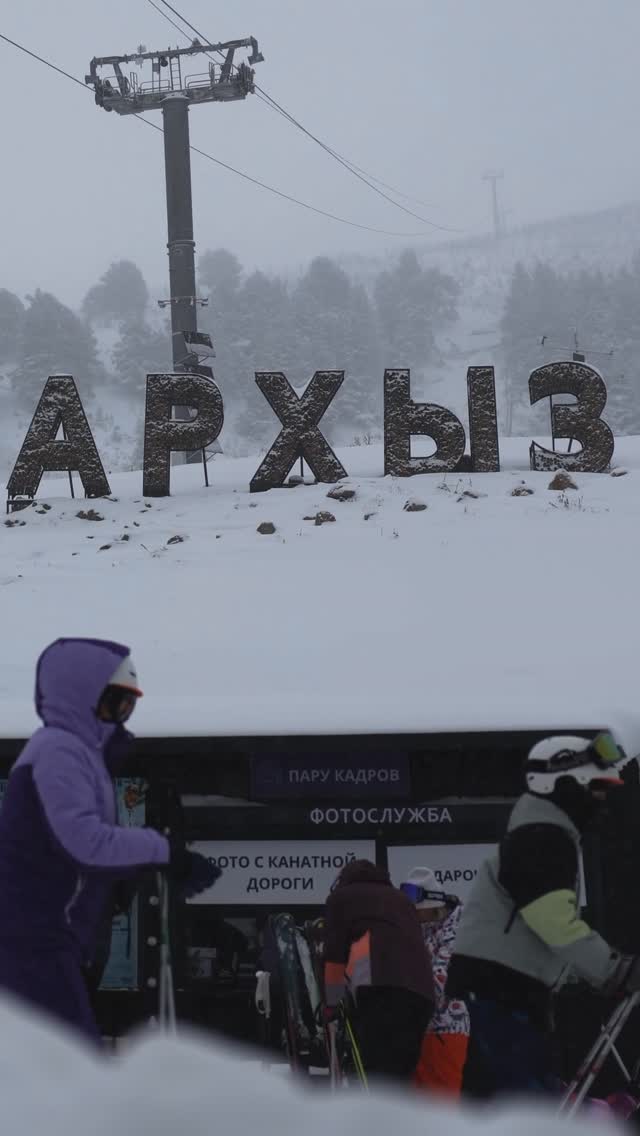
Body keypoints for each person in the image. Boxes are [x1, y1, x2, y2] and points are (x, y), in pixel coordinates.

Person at [0, 638, 219, 1046]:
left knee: (46, 1057)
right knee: (68, 1060)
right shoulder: (59, 751)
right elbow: (83, 840)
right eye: (114, 703)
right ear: (78, 696)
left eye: (128, 705)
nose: (121, 715)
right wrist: (165, 853)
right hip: (31, 938)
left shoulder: (79, 754)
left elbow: (71, 855)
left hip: (47, 938)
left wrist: (116, 885)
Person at [446, 732, 640, 1100]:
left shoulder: (543, 833)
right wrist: (613, 970)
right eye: (596, 788)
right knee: (519, 1103)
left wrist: (577, 974)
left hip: (501, 987)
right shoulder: (542, 838)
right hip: (500, 990)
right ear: (565, 785)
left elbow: (533, 928)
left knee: (502, 1101)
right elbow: (553, 921)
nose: (602, 800)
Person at [323, 859, 434, 1084]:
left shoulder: (341, 899)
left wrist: (331, 1004)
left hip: (381, 990)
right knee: (400, 1075)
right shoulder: (401, 900)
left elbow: (334, 958)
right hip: (422, 994)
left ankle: (375, 1106)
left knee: (376, 1074)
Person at [400, 867, 470, 1098]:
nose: (415, 918)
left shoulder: (458, 931)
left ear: (433, 907)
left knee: (442, 1105)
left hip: (447, 1029)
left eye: (418, 913)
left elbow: (441, 981)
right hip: (422, 1028)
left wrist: (403, 1000)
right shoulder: (425, 926)